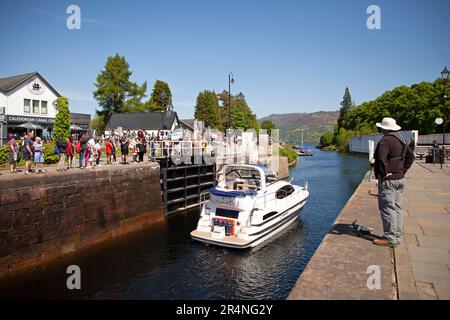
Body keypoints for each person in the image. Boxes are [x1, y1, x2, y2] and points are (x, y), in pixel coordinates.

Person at [373, 117, 414, 247]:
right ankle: (397, 235)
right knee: (397, 207)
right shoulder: (401, 139)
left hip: (389, 181)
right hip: (400, 178)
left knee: (387, 208)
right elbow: (410, 157)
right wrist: (403, 170)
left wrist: (384, 174)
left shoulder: (385, 140)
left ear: (384, 128)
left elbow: (380, 159)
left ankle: (390, 238)